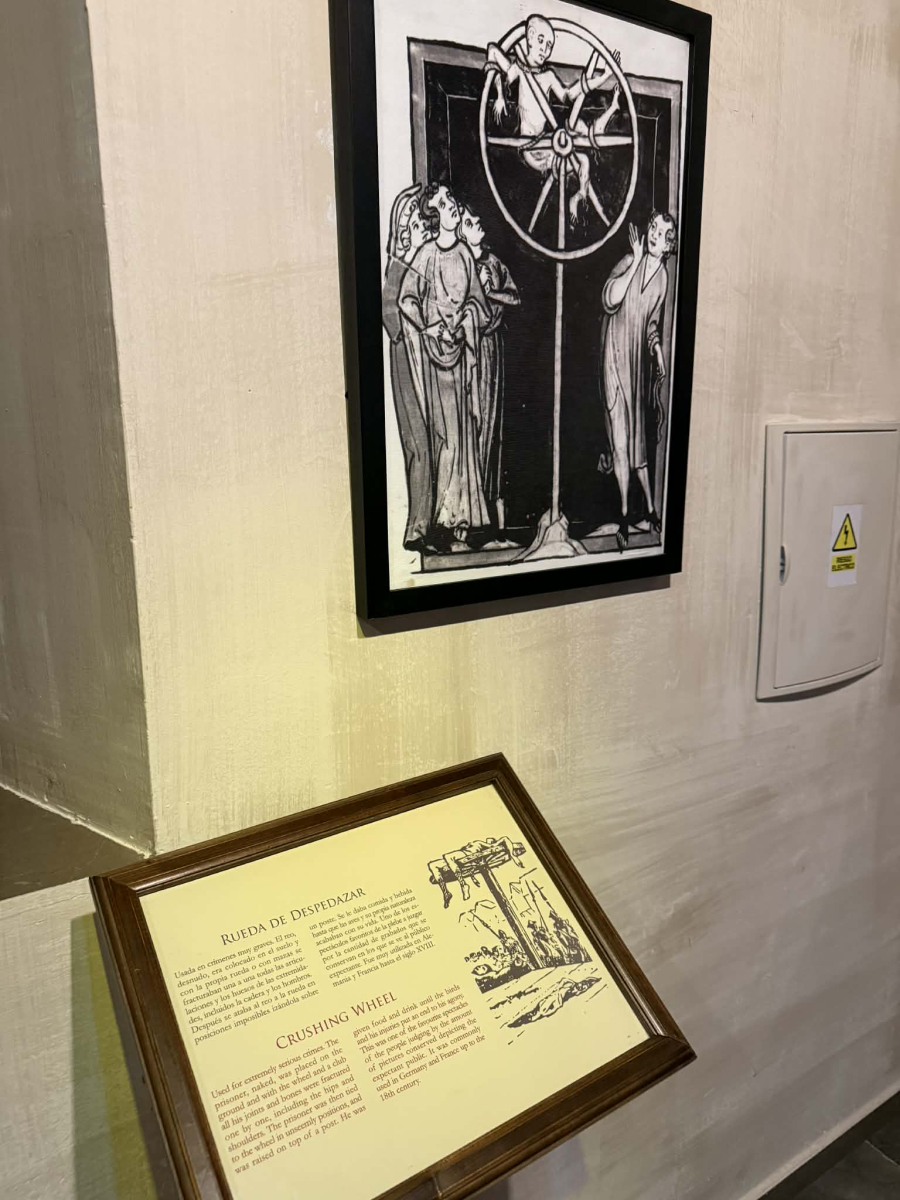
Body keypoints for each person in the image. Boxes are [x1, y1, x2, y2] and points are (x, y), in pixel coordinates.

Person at [399, 184, 492, 552]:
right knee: (447, 441)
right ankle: (443, 519)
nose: (451, 207)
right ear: (434, 215)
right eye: (443, 204)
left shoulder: (465, 255)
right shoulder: (425, 255)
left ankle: (463, 523)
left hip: (461, 357)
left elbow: (480, 306)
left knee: (464, 440)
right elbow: (407, 300)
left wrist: (465, 319)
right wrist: (429, 327)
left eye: (451, 201)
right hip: (437, 360)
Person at [485, 15, 621, 224]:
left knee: (583, 159)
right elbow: (493, 50)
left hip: (547, 144)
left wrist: (604, 77)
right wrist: (500, 95)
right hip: (532, 149)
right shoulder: (519, 69)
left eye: (549, 45)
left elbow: (570, 95)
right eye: (541, 41)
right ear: (530, 36)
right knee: (575, 136)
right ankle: (604, 118)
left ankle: (579, 195)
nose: (545, 50)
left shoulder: (548, 75)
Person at [598, 213, 676, 549]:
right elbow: (609, 299)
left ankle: (652, 510)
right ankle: (624, 514)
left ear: (669, 245)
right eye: (653, 228)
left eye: (663, 233)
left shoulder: (663, 279)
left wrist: (657, 350)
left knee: (638, 439)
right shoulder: (631, 260)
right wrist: (634, 262)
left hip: (636, 365)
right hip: (614, 356)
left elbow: (652, 324)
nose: (655, 234)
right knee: (620, 437)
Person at [458, 205, 520, 547]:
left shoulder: (493, 263)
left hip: (492, 350)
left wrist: (488, 291)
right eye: (471, 222)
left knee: (493, 429)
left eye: (477, 220)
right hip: (469, 350)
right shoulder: (459, 264)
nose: (478, 224)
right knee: (472, 427)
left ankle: (498, 526)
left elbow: (514, 297)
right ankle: (468, 521)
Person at [382, 184, 436, 550]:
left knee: (430, 441)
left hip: (424, 358)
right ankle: (417, 528)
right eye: (418, 224)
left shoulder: (425, 262)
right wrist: (413, 334)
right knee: (418, 442)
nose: (425, 230)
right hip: (406, 359)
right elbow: (390, 312)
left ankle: (428, 524)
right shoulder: (401, 264)